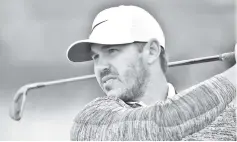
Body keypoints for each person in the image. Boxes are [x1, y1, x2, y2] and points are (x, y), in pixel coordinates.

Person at [66, 5, 236, 141]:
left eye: (112, 51)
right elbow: (162, 122)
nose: (100, 67)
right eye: (96, 57)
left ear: (152, 51)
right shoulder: (90, 122)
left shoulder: (228, 119)